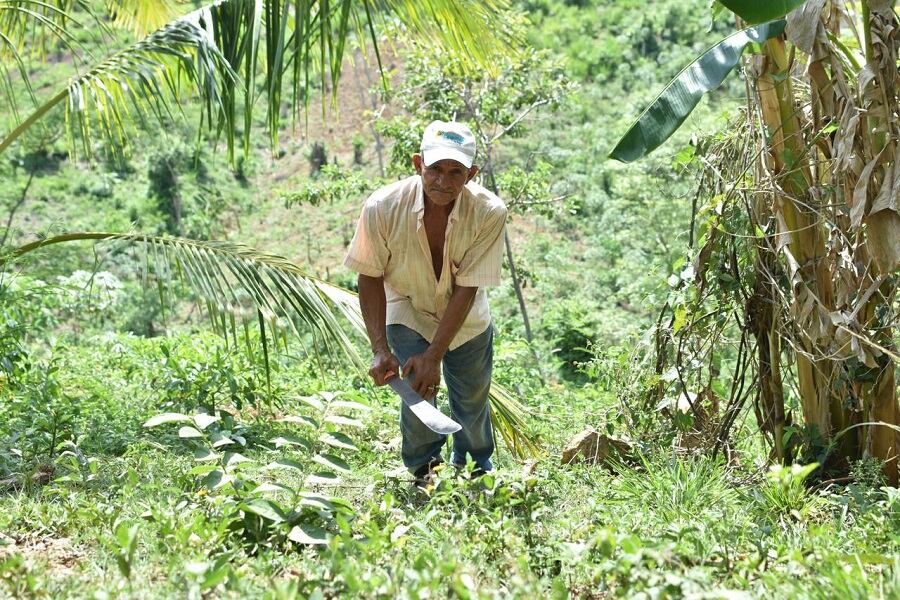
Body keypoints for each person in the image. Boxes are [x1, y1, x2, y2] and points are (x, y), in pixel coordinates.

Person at [343, 120, 507, 483]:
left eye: (455, 172)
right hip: (407, 305)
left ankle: (476, 466)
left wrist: (434, 355)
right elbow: (369, 275)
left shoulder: (489, 212)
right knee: (419, 391)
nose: (443, 182)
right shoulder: (383, 206)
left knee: (472, 396)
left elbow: (467, 288)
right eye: (435, 169)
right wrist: (379, 348)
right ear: (418, 164)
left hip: (466, 317)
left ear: (471, 173)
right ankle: (423, 469)